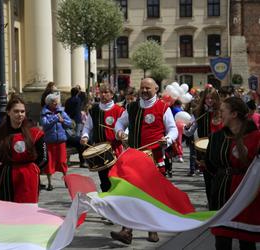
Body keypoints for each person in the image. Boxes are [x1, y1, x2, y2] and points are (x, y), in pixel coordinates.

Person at [112, 78, 178, 244]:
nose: (145, 90)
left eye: (148, 88)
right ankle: (126, 230)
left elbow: (173, 129)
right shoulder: (132, 107)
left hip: (153, 158)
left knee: (151, 195)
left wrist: (168, 139)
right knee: (130, 194)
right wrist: (119, 132)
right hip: (134, 157)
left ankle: (152, 229)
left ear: (156, 89)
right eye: (142, 88)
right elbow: (120, 122)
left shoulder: (163, 107)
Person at [205, 97, 260, 250]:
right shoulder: (217, 137)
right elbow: (209, 166)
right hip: (221, 192)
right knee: (222, 238)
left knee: (246, 240)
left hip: (246, 193)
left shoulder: (256, 137)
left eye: (223, 111)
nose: (219, 114)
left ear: (234, 114)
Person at [0, 95, 48, 203]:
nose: (20, 115)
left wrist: (33, 169)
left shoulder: (35, 133)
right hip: (6, 176)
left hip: (28, 177)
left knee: (26, 211)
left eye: (22, 111)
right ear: (8, 112)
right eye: (16, 111)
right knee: (7, 210)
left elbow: (44, 158)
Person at [80, 84, 124, 192]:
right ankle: (107, 201)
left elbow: (126, 127)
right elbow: (87, 126)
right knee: (103, 180)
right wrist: (85, 136)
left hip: (115, 149)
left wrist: (122, 134)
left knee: (116, 178)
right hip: (99, 150)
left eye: (106, 92)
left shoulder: (119, 110)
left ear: (112, 94)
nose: (103, 95)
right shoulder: (94, 110)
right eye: (101, 92)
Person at [184, 86, 223, 203]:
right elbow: (188, 132)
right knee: (208, 184)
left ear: (216, 99)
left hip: (220, 153)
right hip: (204, 154)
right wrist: (187, 127)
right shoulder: (197, 112)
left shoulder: (222, 112)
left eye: (212, 98)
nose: (210, 101)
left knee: (219, 183)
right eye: (207, 99)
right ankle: (211, 207)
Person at [40, 93, 72, 191]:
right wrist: (55, 118)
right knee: (50, 163)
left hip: (61, 140)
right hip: (50, 141)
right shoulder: (44, 113)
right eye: (54, 102)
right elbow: (44, 124)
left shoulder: (61, 111)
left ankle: (66, 180)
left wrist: (62, 121)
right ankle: (50, 183)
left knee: (62, 162)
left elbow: (69, 122)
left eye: (57, 102)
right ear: (49, 103)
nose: (56, 104)